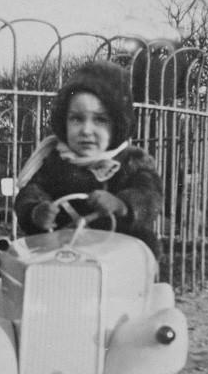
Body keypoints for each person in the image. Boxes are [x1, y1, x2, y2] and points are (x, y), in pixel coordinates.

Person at [14, 60, 163, 258]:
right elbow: (32, 191)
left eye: (100, 120)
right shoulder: (55, 163)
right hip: (64, 255)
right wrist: (37, 211)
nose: (86, 130)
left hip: (121, 255)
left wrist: (122, 204)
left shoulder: (132, 161)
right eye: (76, 118)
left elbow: (149, 195)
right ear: (63, 121)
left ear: (117, 124)